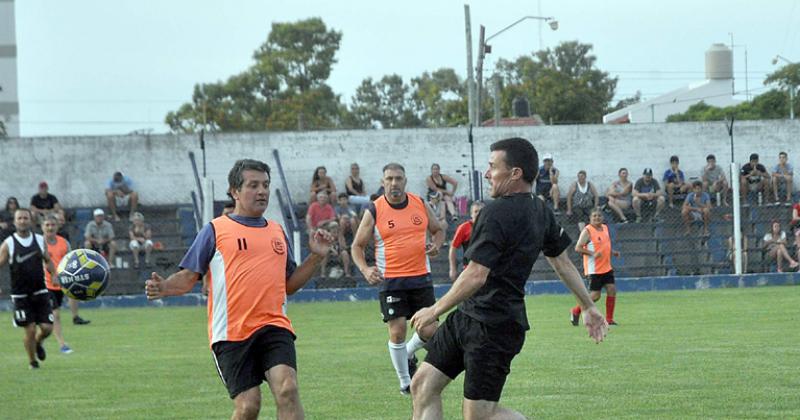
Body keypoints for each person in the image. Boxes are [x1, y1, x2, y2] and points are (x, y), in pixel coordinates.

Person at [409, 138, 606, 420]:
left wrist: (433, 310)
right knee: (423, 384)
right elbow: (562, 262)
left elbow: (477, 274)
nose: (488, 174)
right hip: (468, 316)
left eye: (492, 167)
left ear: (515, 173)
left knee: (480, 415)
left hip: (493, 327)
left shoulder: (495, 212)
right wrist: (587, 306)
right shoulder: (541, 210)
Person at [145, 159, 333, 420]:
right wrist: (164, 286)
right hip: (231, 333)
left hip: (274, 326)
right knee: (248, 406)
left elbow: (288, 285)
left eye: (265, 185)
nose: (262, 191)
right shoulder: (215, 230)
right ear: (234, 191)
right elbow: (189, 277)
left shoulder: (277, 231)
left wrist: (315, 258)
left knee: (288, 389)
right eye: (253, 185)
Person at [351, 162, 445, 395]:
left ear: (405, 180)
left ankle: (409, 352)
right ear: (383, 182)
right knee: (398, 330)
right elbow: (357, 246)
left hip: (421, 278)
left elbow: (438, 229)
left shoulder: (419, 203)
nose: (394, 183)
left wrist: (437, 245)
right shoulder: (374, 209)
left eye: (398, 178)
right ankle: (405, 381)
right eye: (390, 179)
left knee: (429, 329)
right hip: (391, 280)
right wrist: (365, 269)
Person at [0, 208, 58, 369]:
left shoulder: (39, 240)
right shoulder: (9, 244)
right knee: (30, 329)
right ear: (15, 221)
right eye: (20, 218)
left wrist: (54, 273)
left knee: (47, 328)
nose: (23, 221)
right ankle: (33, 362)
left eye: (26, 218)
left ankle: (38, 343)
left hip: (40, 291)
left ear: (31, 221)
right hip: (20, 296)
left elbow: (47, 259)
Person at [570, 208, 621, 327]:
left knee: (612, 290)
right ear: (590, 218)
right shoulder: (587, 230)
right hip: (594, 269)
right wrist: (593, 254)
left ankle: (609, 319)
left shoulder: (605, 228)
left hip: (606, 267)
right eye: (594, 216)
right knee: (595, 296)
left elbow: (604, 245)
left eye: (599, 216)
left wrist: (613, 252)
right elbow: (578, 248)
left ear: (602, 218)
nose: (597, 218)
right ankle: (576, 310)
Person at [41, 215, 75, 354]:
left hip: (61, 284)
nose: (50, 227)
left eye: (52, 225)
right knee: (55, 315)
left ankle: (39, 342)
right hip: (44, 284)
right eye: (47, 225)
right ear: (42, 227)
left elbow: (71, 261)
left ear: (57, 227)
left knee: (48, 319)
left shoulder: (64, 243)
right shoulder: (38, 243)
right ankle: (62, 344)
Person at [448, 201, 484, 282]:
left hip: (486, 269)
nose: (478, 214)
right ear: (471, 214)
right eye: (476, 211)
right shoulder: (464, 227)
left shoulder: (490, 227)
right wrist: (452, 269)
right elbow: (453, 248)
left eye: (480, 211)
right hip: (469, 269)